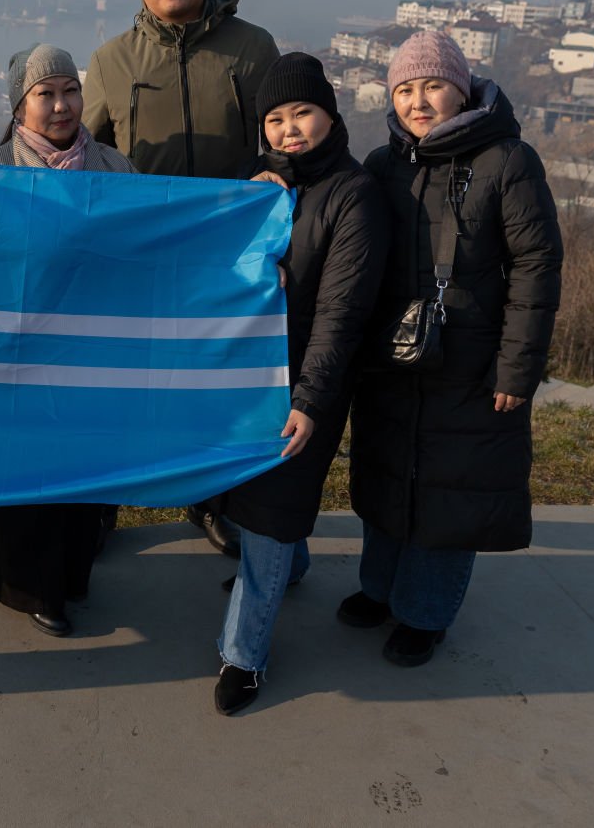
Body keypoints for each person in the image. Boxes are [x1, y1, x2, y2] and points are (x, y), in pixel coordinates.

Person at [344, 31, 563, 668]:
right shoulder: (384, 164)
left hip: (471, 362)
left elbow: (536, 267)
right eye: (405, 89)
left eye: (433, 86)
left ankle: (425, 613)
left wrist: (517, 369)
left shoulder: (507, 160)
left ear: (461, 90)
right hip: (393, 355)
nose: (418, 101)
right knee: (388, 472)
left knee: (452, 487)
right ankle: (380, 588)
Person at [82, 0, 280, 558]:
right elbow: (86, 156)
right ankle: (107, 499)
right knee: (127, 379)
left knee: (215, 382)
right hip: (141, 255)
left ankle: (212, 499)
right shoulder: (112, 60)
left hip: (228, 252)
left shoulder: (254, 49)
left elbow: (281, 137)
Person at [207, 54, 387, 715]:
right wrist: (253, 224)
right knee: (258, 501)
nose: (289, 129)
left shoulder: (354, 194)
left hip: (308, 380)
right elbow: (222, 270)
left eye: (302, 113)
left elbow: (342, 312)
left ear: (330, 116)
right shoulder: (260, 185)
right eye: (276, 119)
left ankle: (243, 655)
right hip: (250, 375)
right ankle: (294, 565)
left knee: (272, 513)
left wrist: (310, 401)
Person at [0, 44, 133, 636]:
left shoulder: (116, 169)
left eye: (71, 90)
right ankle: (31, 587)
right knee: (24, 471)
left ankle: (71, 575)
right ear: (20, 105)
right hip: (19, 351)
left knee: (80, 464)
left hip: (91, 350)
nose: (62, 105)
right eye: (45, 94)